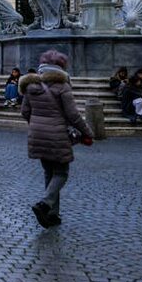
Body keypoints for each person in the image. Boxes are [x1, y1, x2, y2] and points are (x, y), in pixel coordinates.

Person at [19, 50, 92, 229]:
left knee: (49, 173)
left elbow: (24, 112)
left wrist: (36, 124)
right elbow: (73, 115)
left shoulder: (30, 86)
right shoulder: (62, 87)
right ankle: (45, 204)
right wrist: (87, 132)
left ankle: (52, 213)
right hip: (57, 134)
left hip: (37, 134)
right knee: (61, 173)